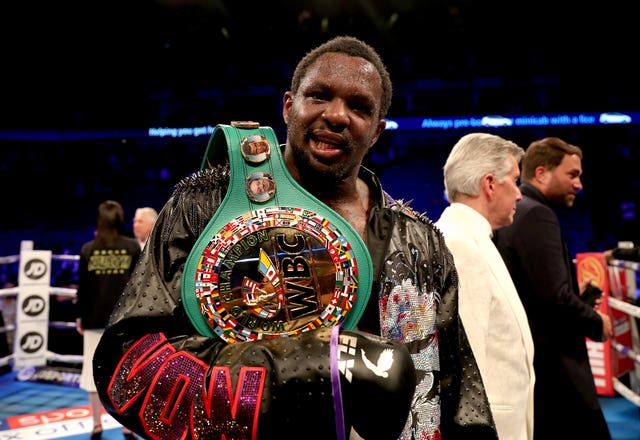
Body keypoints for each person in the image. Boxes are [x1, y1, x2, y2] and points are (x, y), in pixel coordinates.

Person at [93, 35, 496, 440]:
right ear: (289, 107)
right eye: (319, 96)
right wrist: (305, 367)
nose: (337, 115)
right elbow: (128, 368)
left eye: (359, 107)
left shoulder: (420, 243)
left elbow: (460, 399)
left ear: (376, 131)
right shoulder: (206, 207)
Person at [493, 136, 613, 440]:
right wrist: (598, 322)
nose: (580, 184)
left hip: (537, 367)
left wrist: (577, 294)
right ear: (542, 173)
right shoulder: (536, 214)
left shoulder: (519, 211)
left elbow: (537, 288)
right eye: (572, 175)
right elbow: (554, 299)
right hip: (558, 371)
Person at [435, 133, 535, 440]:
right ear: (490, 184)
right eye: (515, 181)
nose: (520, 195)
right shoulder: (459, 243)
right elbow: (463, 366)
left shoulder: (474, 238)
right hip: (488, 427)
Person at [75, 200, 141, 439]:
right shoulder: (132, 247)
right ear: (120, 220)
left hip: (95, 318)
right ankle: (127, 424)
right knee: (124, 370)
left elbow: (82, 288)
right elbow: (139, 285)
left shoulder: (88, 249)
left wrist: (80, 317)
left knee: (91, 372)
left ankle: (96, 424)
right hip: (123, 320)